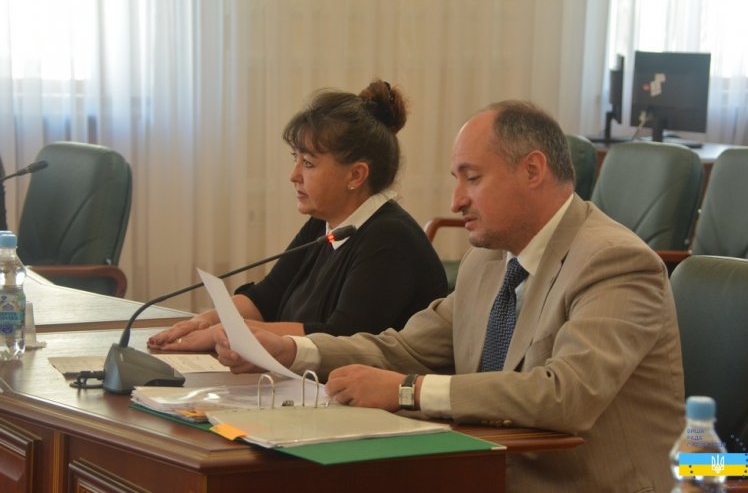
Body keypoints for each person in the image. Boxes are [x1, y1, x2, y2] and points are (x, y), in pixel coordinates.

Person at [213, 100, 686, 492]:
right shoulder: (488, 260)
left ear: (533, 170)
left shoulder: (614, 261)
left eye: (472, 178)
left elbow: (567, 395)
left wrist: (406, 390)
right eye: (456, 179)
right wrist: (292, 351)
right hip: (480, 471)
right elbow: (406, 348)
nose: (456, 201)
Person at [148, 79, 448, 351]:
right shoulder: (322, 223)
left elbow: (340, 339)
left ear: (356, 175)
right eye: (296, 159)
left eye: (309, 163)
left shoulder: (390, 239)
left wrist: (227, 333)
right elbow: (266, 298)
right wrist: (204, 321)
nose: (294, 175)